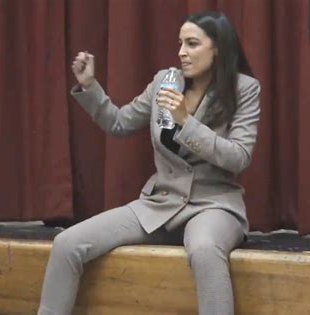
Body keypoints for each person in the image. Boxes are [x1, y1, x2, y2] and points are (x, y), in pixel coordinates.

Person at [38, 10, 260, 315]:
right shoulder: (165, 82)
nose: (182, 52)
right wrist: (90, 86)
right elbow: (119, 123)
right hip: (159, 203)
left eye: (192, 44)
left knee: (205, 250)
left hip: (213, 205)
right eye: (180, 43)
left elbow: (238, 157)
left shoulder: (243, 89)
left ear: (218, 47)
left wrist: (185, 122)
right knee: (67, 243)